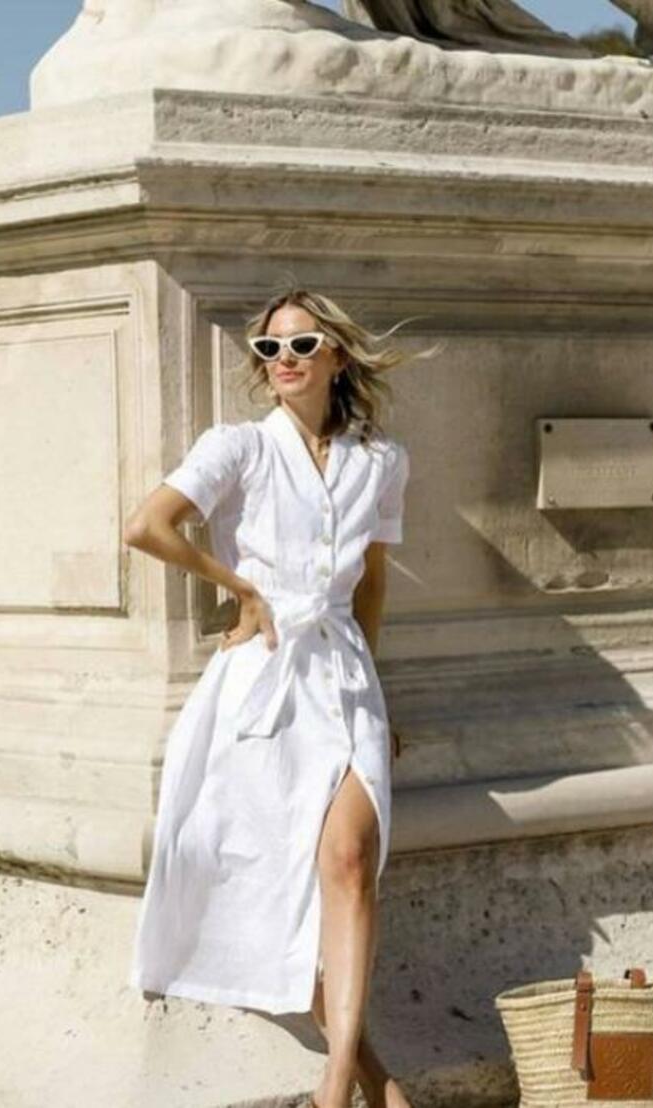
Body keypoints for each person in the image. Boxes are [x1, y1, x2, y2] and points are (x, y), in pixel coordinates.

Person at [123, 286, 437, 1108]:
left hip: (345, 678)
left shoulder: (382, 461)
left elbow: (370, 583)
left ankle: (335, 1085)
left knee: (350, 859)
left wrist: (377, 699)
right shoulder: (239, 447)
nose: (285, 360)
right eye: (270, 349)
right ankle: (377, 1083)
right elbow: (147, 526)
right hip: (263, 681)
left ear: (336, 355)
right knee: (273, 896)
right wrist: (241, 589)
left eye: (302, 345)